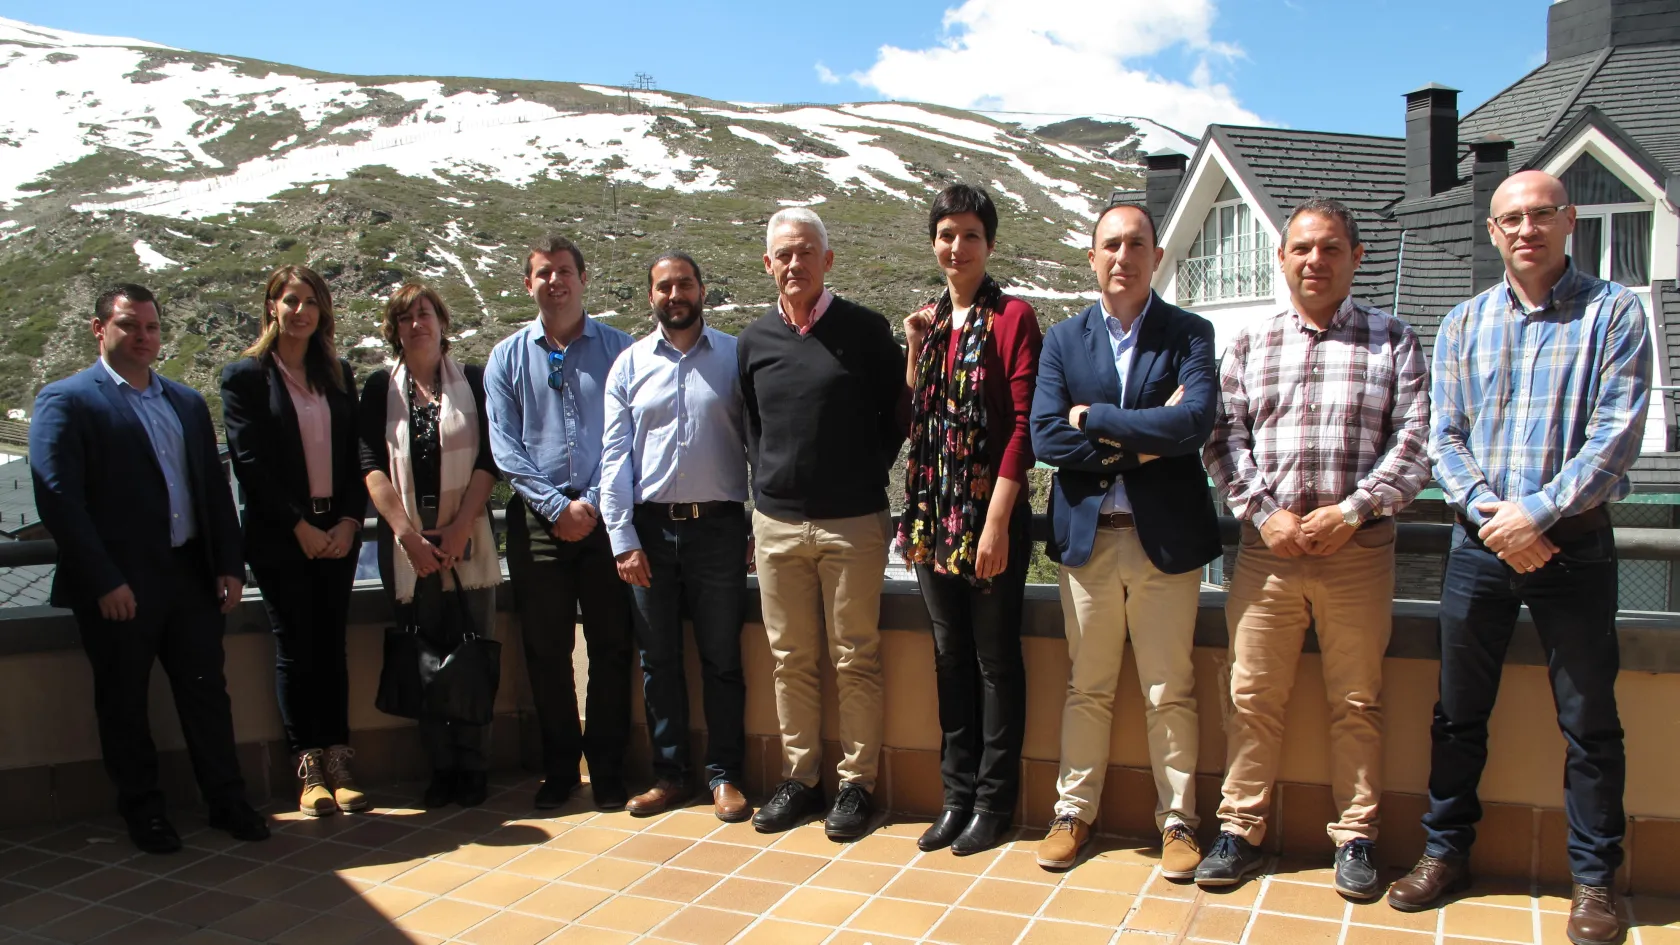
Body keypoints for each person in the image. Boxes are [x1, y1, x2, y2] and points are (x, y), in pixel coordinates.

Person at [1390, 171, 1649, 945]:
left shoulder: (1615, 312)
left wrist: (1535, 513)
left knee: (1589, 720)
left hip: (1574, 543)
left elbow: (1616, 435)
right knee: (1457, 711)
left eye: (1542, 214)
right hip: (1480, 544)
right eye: (1512, 218)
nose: (1526, 229)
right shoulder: (1463, 322)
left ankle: (1595, 881)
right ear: (1493, 232)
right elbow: (1444, 436)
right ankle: (1445, 852)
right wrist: (1493, 515)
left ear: (1569, 220)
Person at [1201, 198, 1431, 897]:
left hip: (1357, 552)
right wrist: (1265, 514)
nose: (1315, 260)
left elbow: (1415, 443)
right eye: (1301, 248)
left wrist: (1353, 511)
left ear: (1356, 258)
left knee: (1357, 700)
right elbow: (1224, 439)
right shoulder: (1250, 343)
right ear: (1282, 259)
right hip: (1266, 552)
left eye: (1330, 248)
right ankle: (1239, 829)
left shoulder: (1393, 340)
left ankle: (1356, 837)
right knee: (1250, 695)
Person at [30, 284, 269, 853]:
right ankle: (145, 812)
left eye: (152, 327)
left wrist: (229, 564)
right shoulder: (67, 400)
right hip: (119, 585)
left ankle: (227, 801)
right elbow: (58, 499)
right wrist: (104, 579)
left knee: (206, 693)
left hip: (190, 576)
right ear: (100, 329)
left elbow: (213, 489)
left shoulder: (184, 402)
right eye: (129, 325)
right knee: (124, 702)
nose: (143, 337)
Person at [1029, 201, 1222, 875]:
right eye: (1111, 244)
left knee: (1170, 688)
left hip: (1163, 542)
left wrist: (1095, 419)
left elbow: (1195, 423)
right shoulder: (1063, 340)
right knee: (1088, 686)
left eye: (1136, 244)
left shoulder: (1189, 333)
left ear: (1156, 257)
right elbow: (1046, 437)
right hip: (1090, 542)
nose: (1123, 256)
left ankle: (1179, 821)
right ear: (1093, 258)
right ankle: (1073, 813)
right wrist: (1143, 444)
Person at [740, 207, 909, 841]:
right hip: (777, 525)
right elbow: (752, 428)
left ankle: (856, 785)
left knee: (855, 657)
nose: (795, 264)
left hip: (853, 524)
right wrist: (770, 489)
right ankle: (800, 778)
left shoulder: (866, 331)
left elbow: (898, 413)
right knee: (791, 659)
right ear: (768, 264)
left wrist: (863, 472)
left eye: (806, 251)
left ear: (827, 260)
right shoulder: (754, 342)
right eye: (784, 254)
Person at [899, 184, 1041, 855]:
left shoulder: (1013, 318)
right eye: (947, 234)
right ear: (934, 241)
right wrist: (913, 347)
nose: (958, 247)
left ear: (989, 244)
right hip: (933, 517)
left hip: (990, 516)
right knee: (949, 657)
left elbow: (1022, 427)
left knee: (994, 662)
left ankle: (992, 803)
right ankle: (955, 797)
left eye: (971, 235)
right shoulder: (929, 320)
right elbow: (919, 415)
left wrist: (996, 525)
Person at [600, 252, 752, 822]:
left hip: (718, 528)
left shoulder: (735, 356)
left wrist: (757, 521)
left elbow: (758, 445)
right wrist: (621, 536)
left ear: (702, 290)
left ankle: (725, 775)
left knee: (722, 659)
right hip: (650, 531)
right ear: (651, 297)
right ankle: (670, 775)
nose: (675, 294)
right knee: (658, 660)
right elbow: (614, 458)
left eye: (684, 283)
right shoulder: (629, 365)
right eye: (664, 286)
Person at [486, 234, 635, 811]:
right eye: (544, 273)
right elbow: (505, 448)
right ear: (529, 284)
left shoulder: (619, 350)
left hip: (606, 518)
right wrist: (554, 508)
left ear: (583, 278)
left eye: (565, 271)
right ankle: (560, 769)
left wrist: (590, 504)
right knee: (546, 652)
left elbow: (626, 437)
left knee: (611, 647)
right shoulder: (506, 358)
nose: (556, 282)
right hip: (536, 522)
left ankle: (609, 769)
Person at [221, 265, 367, 817]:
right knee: (296, 648)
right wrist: (298, 526)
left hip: (338, 533)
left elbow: (356, 454)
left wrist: (349, 521)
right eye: (290, 300)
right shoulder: (245, 377)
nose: (301, 310)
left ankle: (340, 760)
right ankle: (308, 765)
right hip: (283, 536)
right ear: (272, 307)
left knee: (331, 646)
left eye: (311, 301)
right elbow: (250, 463)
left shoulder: (337, 373)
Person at [359, 283, 501, 809]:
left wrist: (461, 526)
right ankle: (440, 768)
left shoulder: (474, 381)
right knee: (423, 657)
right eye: (405, 317)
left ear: (442, 322)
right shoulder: (380, 388)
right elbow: (369, 463)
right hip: (408, 550)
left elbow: (491, 457)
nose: (416, 324)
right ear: (394, 330)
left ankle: (473, 765)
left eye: (425, 313)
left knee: (471, 652)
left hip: (469, 541)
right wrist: (407, 535)